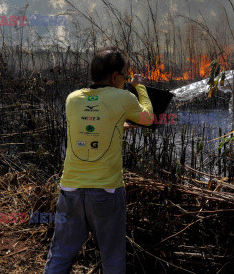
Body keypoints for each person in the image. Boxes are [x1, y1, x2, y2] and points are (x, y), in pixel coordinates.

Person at [43, 47, 153, 274]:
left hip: (70, 190)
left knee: (61, 252)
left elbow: (90, 126)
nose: (125, 79)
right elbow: (148, 118)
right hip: (106, 192)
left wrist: (118, 126)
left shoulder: (72, 99)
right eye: (124, 75)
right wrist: (139, 85)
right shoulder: (123, 97)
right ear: (114, 76)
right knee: (112, 257)